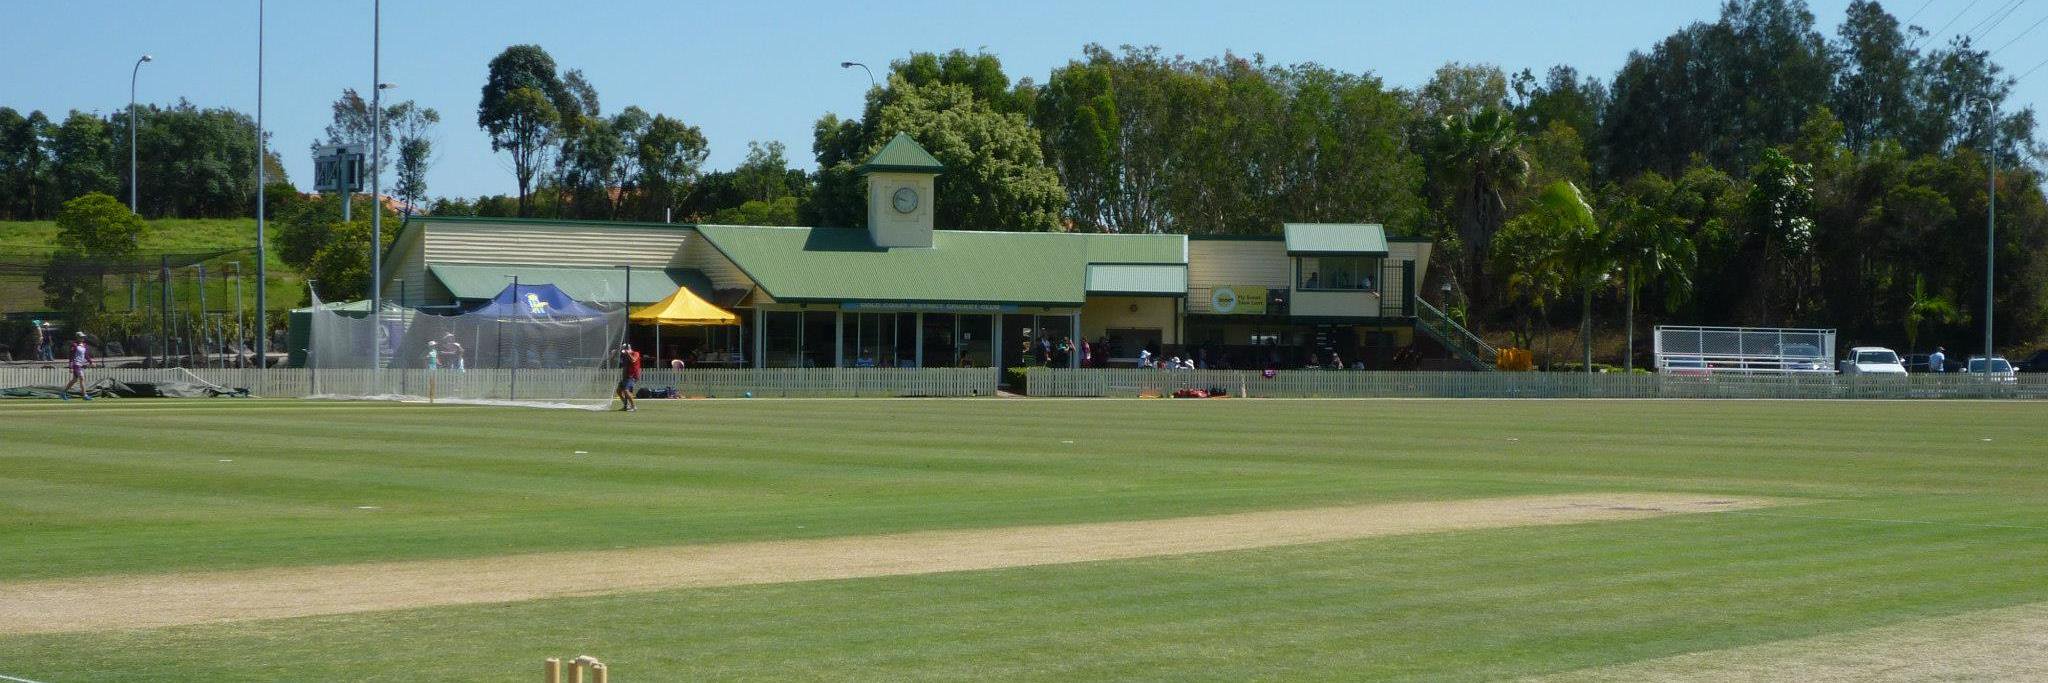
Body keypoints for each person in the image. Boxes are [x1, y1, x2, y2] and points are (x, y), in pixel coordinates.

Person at [62, 333, 93, 401]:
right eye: (81, 337)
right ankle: (85, 395)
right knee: (82, 378)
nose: (83, 338)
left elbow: (86, 355)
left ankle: (63, 393)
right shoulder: (74, 345)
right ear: (78, 337)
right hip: (76, 364)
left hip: (80, 365)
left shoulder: (84, 345)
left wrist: (91, 362)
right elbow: (71, 357)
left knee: (74, 380)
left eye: (83, 337)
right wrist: (71, 367)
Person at [615, 342, 642, 412]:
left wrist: (627, 353)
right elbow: (615, 360)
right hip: (625, 376)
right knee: (618, 391)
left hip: (632, 376)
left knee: (626, 391)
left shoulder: (636, 353)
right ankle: (626, 405)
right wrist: (615, 353)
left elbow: (633, 360)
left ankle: (633, 407)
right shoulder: (624, 356)